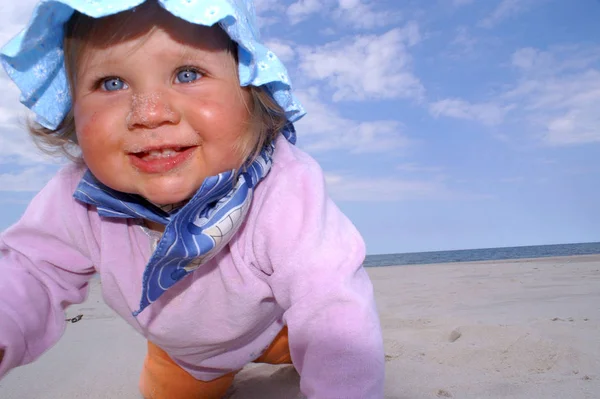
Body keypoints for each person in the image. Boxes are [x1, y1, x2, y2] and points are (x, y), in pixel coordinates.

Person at [0, 1, 384, 398]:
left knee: (335, 348)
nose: (148, 114)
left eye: (187, 74)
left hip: (280, 327)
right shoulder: (78, 198)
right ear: (72, 112)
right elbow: (30, 272)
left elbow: (329, 301)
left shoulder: (283, 184)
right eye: (112, 83)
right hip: (186, 358)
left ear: (252, 95)